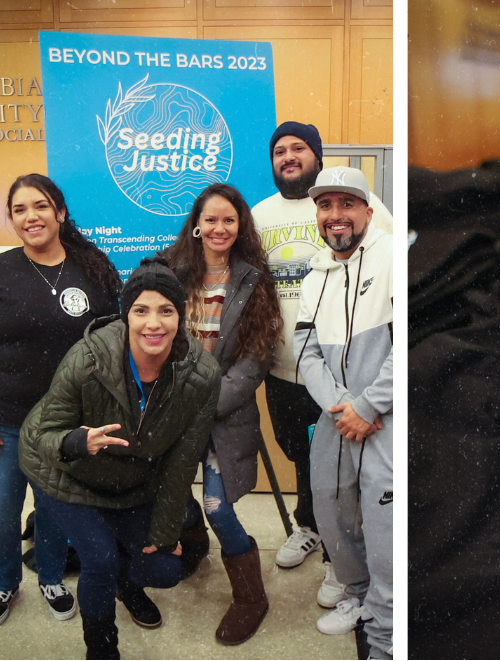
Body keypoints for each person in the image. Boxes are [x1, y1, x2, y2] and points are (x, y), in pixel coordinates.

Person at [19, 256, 221, 659]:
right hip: (66, 471)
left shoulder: (202, 375)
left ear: (180, 317)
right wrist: (78, 441)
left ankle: (128, 587)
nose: (153, 324)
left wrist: (164, 532)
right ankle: (101, 644)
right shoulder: (88, 358)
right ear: (125, 315)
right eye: (140, 310)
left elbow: (181, 462)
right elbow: (43, 434)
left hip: (130, 479)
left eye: (166, 311)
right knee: (100, 559)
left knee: (163, 569)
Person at [250, 122, 392, 609]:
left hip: (356, 377)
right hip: (289, 368)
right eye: (280, 151)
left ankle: (344, 562)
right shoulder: (259, 215)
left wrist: (367, 397)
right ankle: (312, 531)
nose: (288, 156)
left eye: (298, 148)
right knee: (305, 459)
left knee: (352, 476)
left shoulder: (372, 223)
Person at [161, 183, 283, 645]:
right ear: (196, 224)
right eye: (210, 219)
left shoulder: (254, 280)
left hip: (224, 416)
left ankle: (251, 597)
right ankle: (193, 547)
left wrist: (199, 406)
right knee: (166, 493)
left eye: (228, 220)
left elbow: (254, 363)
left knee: (219, 507)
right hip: (169, 411)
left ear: (240, 226)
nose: (219, 228)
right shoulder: (169, 273)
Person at [0, 174, 123, 626]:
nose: (30, 216)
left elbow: (113, 343)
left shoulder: (92, 267)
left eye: (40, 206)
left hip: (66, 426)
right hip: (7, 422)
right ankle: (4, 582)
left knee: (54, 512)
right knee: (2, 511)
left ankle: (50, 576)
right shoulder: (3, 270)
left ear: (60, 213)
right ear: (12, 220)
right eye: (19, 210)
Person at [296, 166, 392, 659]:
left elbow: (410, 343)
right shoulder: (316, 273)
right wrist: (340, 406)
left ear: (367, 212)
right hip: (337, 414)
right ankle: (357, 596)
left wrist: (369, 404)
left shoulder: (395, 258)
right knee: (330, 504)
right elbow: (305, 348)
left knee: (382, 520)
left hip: (385, 416)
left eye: (347, 204)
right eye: (326, 205)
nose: (336, 215)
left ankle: (387, 626)